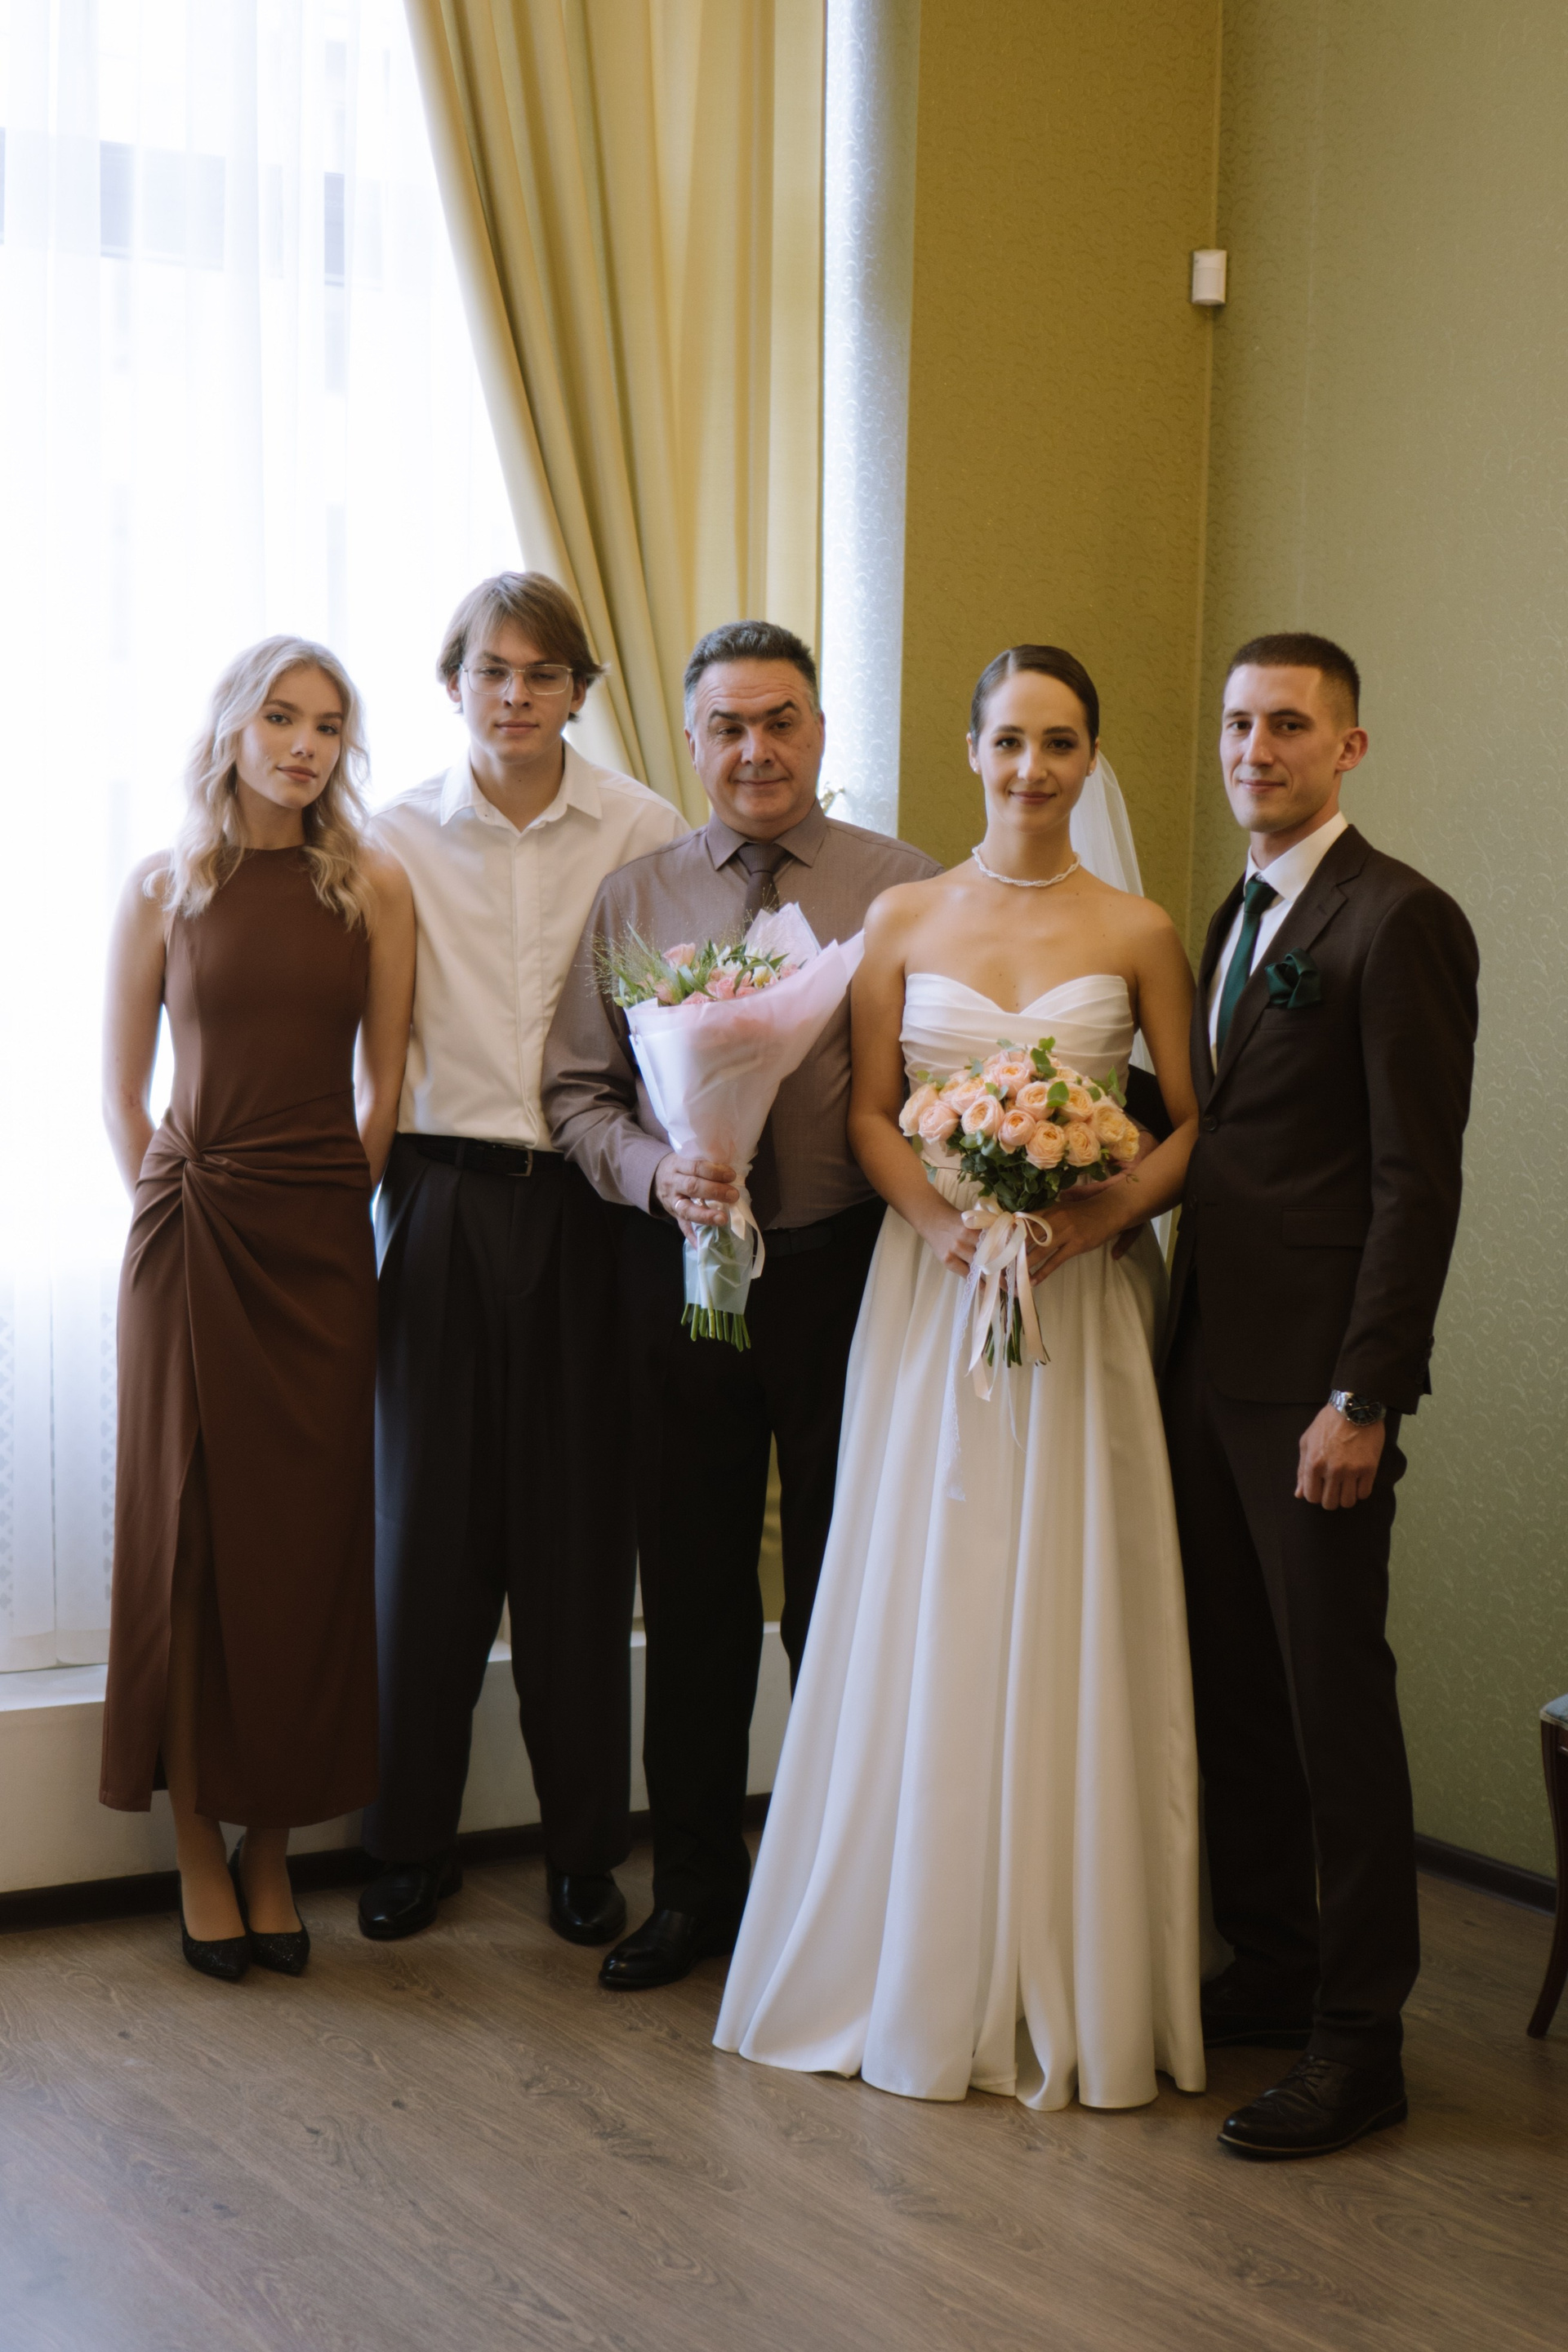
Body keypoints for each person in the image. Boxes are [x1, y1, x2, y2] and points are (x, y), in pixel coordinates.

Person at [713, 645, 1206, 2109]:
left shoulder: (1140, 931)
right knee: (927, 1571)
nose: (1031, 770)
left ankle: (1072, 1943)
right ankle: (905, 1940)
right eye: (1008, 742)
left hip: (1077, 1300)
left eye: (1059, 743)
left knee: (1066, 1579)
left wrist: (1087, 1224)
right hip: (931, 1297)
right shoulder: (905, 916)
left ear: (1092, 759)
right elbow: (873, 1113)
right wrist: (944, 1228)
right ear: (972, 751)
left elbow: (1193, 1124)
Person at [543, 619, 941, 1991]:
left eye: (781, 722)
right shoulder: (637, 897)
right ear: (694, 740)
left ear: (820, 731)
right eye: (729, 726)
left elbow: (943, 1083)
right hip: (682, 1279)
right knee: (695, 1593)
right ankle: (697, 1892)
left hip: (849, 1272)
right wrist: (656, 1173)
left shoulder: (905, 889)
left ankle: (841, 1900)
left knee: (844, 1592)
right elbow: (577, 1093)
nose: (756, 750)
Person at [1164, 632, 1478, 2160]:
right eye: (1239, 723)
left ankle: (1361, 2042)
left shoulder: (1398, 917)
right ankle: (1276, 1966)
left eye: (1288, 725)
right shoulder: (1234, 911)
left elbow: (1417, 1184)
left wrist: (1365, 1393)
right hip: (1201, 1367)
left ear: (1347, 747)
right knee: (1235, 1687)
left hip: (1315, 1392)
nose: (1255, 749)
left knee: (1332, 1704)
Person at [359, 572, 687, 1950]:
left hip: (592, 1207)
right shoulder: (388, 837)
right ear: (454, 686)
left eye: (542, 674)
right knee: (423, 1536)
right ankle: (408, 1846)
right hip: (436, 1195)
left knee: (577, 1538)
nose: (514, 695)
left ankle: (581, 1853)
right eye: (491, 671)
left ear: (578, 693)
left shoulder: (643, 828)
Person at [100, 636, 415, 1981]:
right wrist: (174, 1205)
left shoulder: (372, 885)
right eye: (281, 718)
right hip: (189, 1236)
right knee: (189, 1539)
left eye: (329, 726)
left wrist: (336, 1204)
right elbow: (121, 1092)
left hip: (320, 1243)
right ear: (233, 726)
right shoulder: (163, 886)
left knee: (306, 1544)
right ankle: (195, 1849)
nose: (304, 745)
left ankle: (273, 1848)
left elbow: (385, 1087)